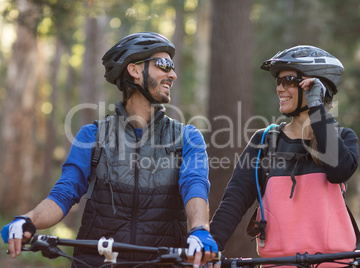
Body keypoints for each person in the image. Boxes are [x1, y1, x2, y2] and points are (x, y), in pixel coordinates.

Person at [2, 32, 218, 267]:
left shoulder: (187, 138)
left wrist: (199, 230)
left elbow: (194, 184)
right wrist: (29, 219)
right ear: (135, 71)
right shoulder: (93, 136)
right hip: (97, 261)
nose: (173, 74)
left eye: (172, 67)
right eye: (164, 65)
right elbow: (65, 192)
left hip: (162, 262)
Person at [210, 45, 360, 267]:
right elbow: (235, 199)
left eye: (289, 80)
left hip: (333, 263)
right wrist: (208, 245)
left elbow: (339, 170)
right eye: (278, 82)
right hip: (279, 263)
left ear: (316, 86)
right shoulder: (264, 142)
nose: (280, 88)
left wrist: (316, 107)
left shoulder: (343, 137)